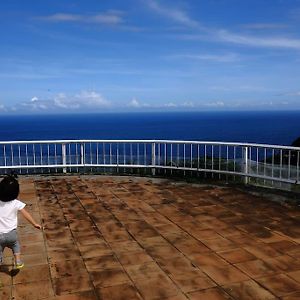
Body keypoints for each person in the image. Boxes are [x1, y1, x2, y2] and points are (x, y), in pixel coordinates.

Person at [0, 174, 41, 269]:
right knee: (15, 245)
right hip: (12, 234)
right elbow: (26, 214)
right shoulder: (16, 203)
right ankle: (18, 261)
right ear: (16, 192)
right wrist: (34, 224)